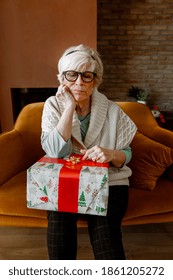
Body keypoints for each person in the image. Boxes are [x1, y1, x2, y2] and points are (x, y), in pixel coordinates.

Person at [41, 44, 137, 260]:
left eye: (86, 76)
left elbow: (127, 154)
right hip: (65, 180)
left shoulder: (112, 110)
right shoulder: (53, 105)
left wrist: (112, 154)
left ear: (96, 80)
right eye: (71, 75)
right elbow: (56, 151)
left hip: (109, 181)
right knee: (58, 222)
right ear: (62, 79)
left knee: (106, 235)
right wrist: (68, 108)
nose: (79, 83)